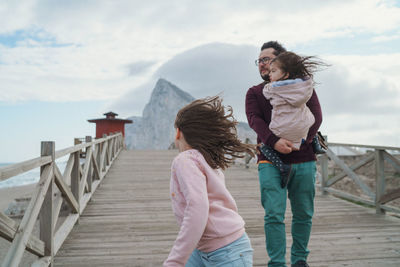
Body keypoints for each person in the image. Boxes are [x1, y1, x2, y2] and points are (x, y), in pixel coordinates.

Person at [245, 41, 323, 267]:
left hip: (304, 159)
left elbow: (316, 117)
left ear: (282, 63)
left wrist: (301, 142)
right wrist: (274, 141)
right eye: (259, 60)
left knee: (304, 214)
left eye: (267, 59)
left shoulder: (305, 88)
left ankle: (300, 260)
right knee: (273, 215)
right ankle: (277, 263)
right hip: (270, 159)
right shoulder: (255, 92)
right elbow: (254, 120)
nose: (262, 64)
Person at [164, 96, 256, 267]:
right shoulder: (206, 158)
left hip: (226, 252)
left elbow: (197, 208)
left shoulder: (185, 160)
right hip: (213, 248)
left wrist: (175, 261)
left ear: (178, 132)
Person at [259, 51, 327, 188]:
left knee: (264, 147)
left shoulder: (272, 88)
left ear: (286, 73)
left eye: (273, 70)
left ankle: (282, 167)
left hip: (282, 129)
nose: (269, 74)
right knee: (307, 118)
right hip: (303, 126)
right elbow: (318, 116)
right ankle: (316, 143)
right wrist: (307, 139)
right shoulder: (306, 86)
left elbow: (266, 93)